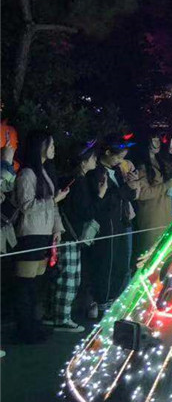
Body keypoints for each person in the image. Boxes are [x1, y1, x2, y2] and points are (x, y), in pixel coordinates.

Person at [11, 131, 68, 343]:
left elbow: (53, 206)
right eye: (51, 145)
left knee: (36, 285)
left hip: (44, 234)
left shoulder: (44, 172)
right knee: (25, 286)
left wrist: (57, 229)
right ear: (40, 147)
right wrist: (53, 201)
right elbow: (26, 206)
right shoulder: (27, 174)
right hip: (29, 234)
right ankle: (24, 330)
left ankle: (34, 326)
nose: (54, 149)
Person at [44, 140, 100, 331]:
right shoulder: (79, 182)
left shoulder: (70, 179)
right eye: (92, 157)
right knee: (69, 278)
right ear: (83, 161)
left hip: (65, 233)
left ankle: (52, 314)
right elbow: (84, 212)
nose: (95, 160)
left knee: (61, 276)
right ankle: (62, 318)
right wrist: (100, 196)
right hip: (69, 235)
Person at [84, 136, 139, 320]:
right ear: (107, 152)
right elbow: (102, 201)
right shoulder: (96, 173)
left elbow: (126, 196)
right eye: (118, 157)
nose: (120, 161)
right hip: (106, 227)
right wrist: (124, 190)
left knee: (121, 265)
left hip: (121, 223)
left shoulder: (117, 171)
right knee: (106, 267)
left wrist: (132, 185)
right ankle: (101, 305)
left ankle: (112, 302)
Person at [129, 131, 172, 260]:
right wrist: (166, 185)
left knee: (164, 257)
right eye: (154, 140)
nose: (158, 143)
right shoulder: (141, 167)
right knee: (149, 257)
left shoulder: (161, 162)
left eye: (158, 140)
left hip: (166, 216)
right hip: (151, 220)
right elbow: (143, 193)